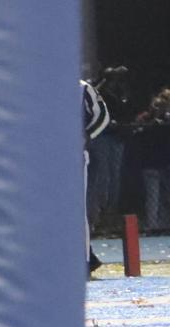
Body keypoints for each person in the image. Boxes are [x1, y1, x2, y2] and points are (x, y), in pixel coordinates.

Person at [83, 79, 110, 276]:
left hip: (73, 157)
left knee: (78, 209)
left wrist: (86, 136)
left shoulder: (82, 88)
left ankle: (84, 260)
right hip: (43, 158)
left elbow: (103, 116)